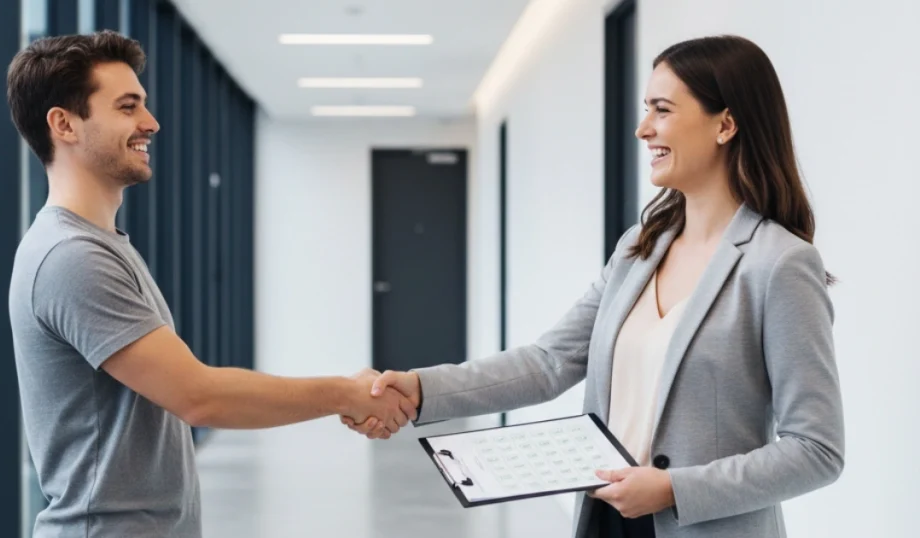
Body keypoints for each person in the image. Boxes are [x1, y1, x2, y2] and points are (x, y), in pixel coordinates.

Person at [343, 35, 844, 538]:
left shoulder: (780, 264)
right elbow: (549, 362)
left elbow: (816, 449)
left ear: (726, 124)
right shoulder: (638, 250)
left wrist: (674, 488)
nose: (643, 128)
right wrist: (421, 389)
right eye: (645, 109)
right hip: (607, 519)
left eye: (662, 110)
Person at [6, 31, 416, 537]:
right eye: (128, 107)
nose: (150, 123)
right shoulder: (70, 257)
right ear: (64, 124)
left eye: (145, 106)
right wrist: (345, 394)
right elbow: (199, 396)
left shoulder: (102, 244)